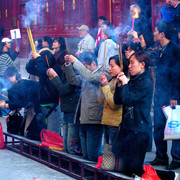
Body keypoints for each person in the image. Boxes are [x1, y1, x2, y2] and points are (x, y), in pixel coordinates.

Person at [63, 52, 110, 161]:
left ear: (93, 63)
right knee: (85, 155)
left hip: (94, 118)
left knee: (93, 155)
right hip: (82, 117)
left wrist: (76, 62)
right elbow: (73, 80)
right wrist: (68, 65)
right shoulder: (87, 74)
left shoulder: (103, 72)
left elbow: (91, 77)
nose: (83, 70)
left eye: (86, 67)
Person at [150, 20, 180, 170]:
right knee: (159, 127)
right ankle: (161, 157)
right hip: (160, 93)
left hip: (171, 95)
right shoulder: (160, 49)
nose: (153, 34)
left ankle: (177, 159)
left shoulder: (175, 49)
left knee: (174, 126)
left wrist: (174, 95)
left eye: (155, 31)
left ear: (162, 34)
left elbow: (177, 73)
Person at [46, 52, 80, 155]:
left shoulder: (74, 76)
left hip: (72, 108)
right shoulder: (65, 75)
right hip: (66, 107)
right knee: (65, 132)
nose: (62, 69)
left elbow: (64, 89)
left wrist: (55, 76)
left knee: (70, 141)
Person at [26, 48, 63, 134]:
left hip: (53, 107)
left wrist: (38, 59)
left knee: (52, 135)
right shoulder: (41, 69)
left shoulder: (56, 69)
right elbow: (29, 69)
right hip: (43, 106)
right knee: (45, 134)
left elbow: (43, 71)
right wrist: (33, 59)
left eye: (41, 59)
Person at [0, 67, 42, 139]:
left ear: (14, 76)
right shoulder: (19, 83)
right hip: (30, 106)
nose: (8, 80)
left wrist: (6, 105)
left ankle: (29, 145)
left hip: (36, 106)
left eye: (9, 77)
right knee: (24, 130)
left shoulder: (22, 84)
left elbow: (21, 103)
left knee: (27, 132)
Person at [98, 55, 128, 145]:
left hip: (115, 123)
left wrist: (106, 86)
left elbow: (114, 104)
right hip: (106, 121)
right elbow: (100, 101)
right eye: (109, 66)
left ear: (121, 66)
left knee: (114, 152)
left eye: (112, 66)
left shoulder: (124, 81)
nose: (109, 69)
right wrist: (102, 85)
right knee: (107, 152)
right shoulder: (111, 81)